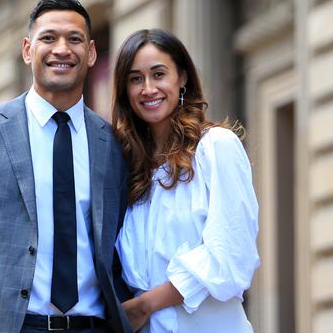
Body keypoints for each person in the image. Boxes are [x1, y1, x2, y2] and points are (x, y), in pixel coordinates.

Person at [0, 0, 132, 333]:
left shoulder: (113, 145)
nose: (62, 49)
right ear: (27, 49)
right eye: (48, 38)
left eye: (74, 39)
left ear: (91, 53)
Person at [111, 29, 260, 332]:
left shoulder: (216, 147)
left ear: (182, 78)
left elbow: (233, 254)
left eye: (159, 74)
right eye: (135, 79)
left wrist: (148, 304)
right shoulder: (130, 170)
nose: (148, 88)